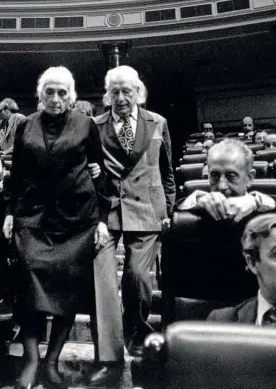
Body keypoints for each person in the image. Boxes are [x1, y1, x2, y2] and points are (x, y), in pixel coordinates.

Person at [2, 66, 107, 389]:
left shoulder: (86, 124)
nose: (56, 98)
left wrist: (102, 220)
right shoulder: (25, 125)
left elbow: (99, 172)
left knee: (68, 288)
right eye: (50, 91)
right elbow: (16, 174)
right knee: (29, 281)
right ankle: (32, 359)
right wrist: (9, 212)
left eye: (63, 92)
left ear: (72, 96)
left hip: (77, 219)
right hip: (33, 216)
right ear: (40, 95)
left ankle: (52, 361)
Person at [90, 66, 176, 383]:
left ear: (138, 91)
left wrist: (168, 207)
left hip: (147, 207)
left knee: (138, 277)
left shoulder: (158, 122)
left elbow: (166, 171)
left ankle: (136, 330)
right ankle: (108, 355)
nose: (121, 97)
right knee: (103, 282)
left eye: (127, 91)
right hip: (107, 210)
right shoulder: (95, 125)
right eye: (115, 91)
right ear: (107, 95)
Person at [177, 139, 276, 223]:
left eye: (231, 176)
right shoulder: (201, 206)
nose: (222, 186)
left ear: (249, 178)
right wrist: (196, 199)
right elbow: (175, 211)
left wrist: (259, 201)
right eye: (215, 175)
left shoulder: (265, 208)